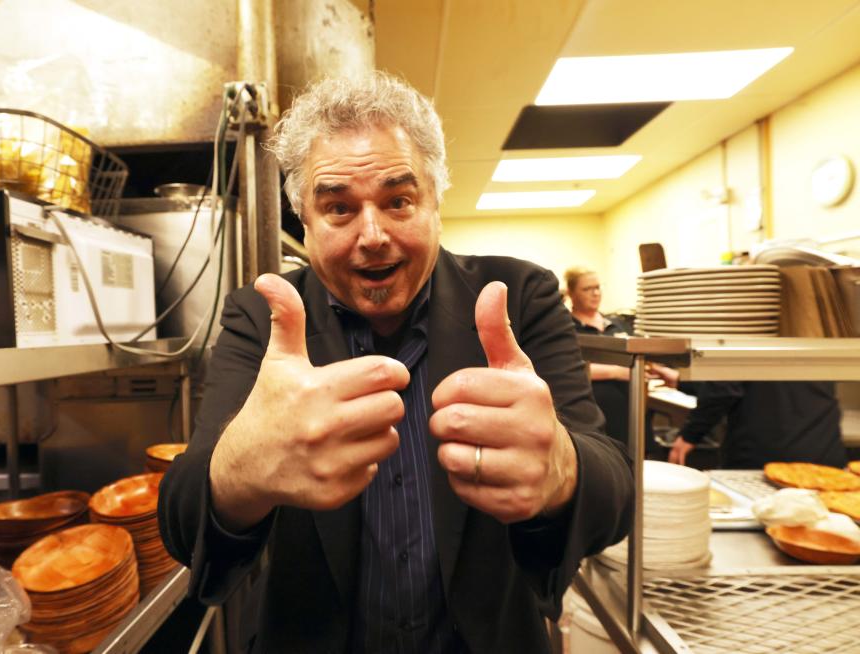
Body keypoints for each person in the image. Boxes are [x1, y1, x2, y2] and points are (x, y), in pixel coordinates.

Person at [158, 72, 633, 654]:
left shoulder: (518, 296)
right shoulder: (264, 319)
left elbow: (616, 493)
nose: (373, 235)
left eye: (398, 200)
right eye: (337, 208)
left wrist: (561, 467)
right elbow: (182, 523)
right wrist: (240, 470)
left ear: (435, 201)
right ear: (303, 222)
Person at [565, 267, 677, 444]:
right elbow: (568, 367)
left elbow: (637, 354)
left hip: (631, 413)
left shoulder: (618, 324)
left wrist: (659, 369)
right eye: (587, 289)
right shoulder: (566, 327)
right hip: (594, 417)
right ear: (571, 293)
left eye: (597, 287)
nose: (595, 293)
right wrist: (617, 372)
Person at [668, 381, 847, 469]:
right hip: (825, 456)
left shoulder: (748, 327)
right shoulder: (807, 327)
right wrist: (681, 381)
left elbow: (724, 387)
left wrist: (690, 434)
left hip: (770, 460)